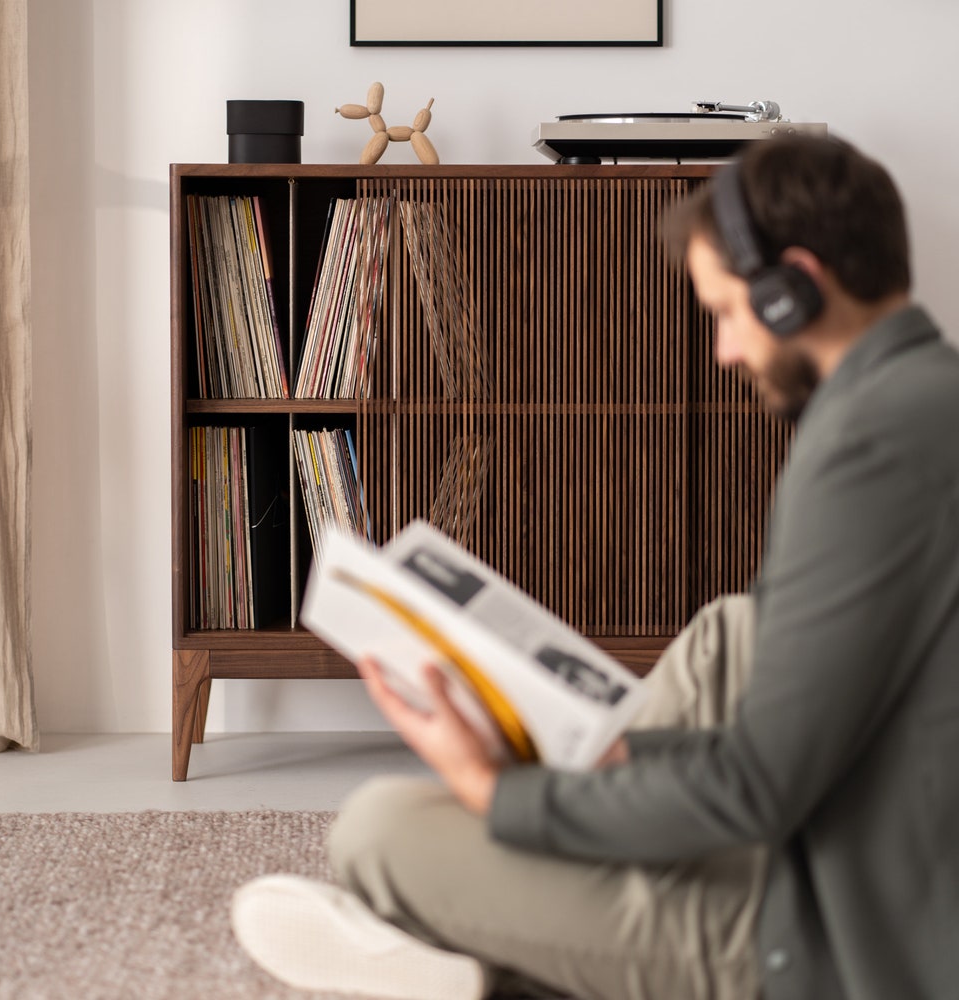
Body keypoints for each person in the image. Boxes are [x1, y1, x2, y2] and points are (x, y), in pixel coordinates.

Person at [230, 135, 959, 1000]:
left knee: (378, 830)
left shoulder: (865, 444)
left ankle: (496, 969)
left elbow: (756, 789)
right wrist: (622, 761)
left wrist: (496, 795)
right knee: (731, 631)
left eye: (727, 313)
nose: (724, 352)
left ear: (793, 288)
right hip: (852, 839)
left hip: (830, 931)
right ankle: (569, 855)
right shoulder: (927, 396)